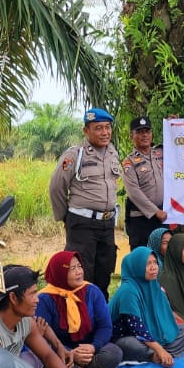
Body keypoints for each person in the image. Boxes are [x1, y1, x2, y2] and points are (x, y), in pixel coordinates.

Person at [50, 108, 122, 298]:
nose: (105, 132)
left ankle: (100, 318)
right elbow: (56, 187)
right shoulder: (75, 155)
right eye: (98, 128)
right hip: (82, 225)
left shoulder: (112, 153)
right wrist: (65, 217)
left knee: (103, 274)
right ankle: (79, 320)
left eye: (108, 127)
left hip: (107, 224)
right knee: (80, 275)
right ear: (86, 131)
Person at [35, 251, 124, 368]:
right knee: (46, 358)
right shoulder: (44, 299)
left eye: (79, 266)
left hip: (90, 350)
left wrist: (93, 346)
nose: (79, 272)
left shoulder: (92, 291)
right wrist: (69, 353)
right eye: (72, 268)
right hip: (60, 350)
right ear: (60, 273)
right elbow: (41, 335)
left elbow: (105, 326)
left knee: (114, 353)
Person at [109, 247, 184, 367]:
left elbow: (164, 317)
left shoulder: (153, 285)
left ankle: (159, 354)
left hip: (151, 334)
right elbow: (137, 329)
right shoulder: (128, 290)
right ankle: (154, 355)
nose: (154, 267)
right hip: (126, 337)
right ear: (137, 266)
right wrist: (160, 350)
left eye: (155, 262)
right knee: (131, 344)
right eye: (148, 263)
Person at [121, 116, 166, 252]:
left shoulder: (160, 154)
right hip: (141, 220)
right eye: (139, 132)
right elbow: (134, 192)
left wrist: (175, 125)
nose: (144, 135)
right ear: (131, 136)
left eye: (147, 131)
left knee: (163, 257)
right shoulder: (129, 162)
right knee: (143, 259)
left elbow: (180, 147)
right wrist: (155, 211)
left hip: (163, 217)